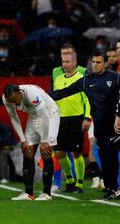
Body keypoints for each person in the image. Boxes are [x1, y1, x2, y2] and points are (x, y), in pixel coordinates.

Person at [51, 52, 120, 200]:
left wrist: (118, 115)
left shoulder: (115, 78)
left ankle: (115, 187)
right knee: (103, 157)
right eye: (93, 62)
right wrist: (45, 96)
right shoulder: (86, 80)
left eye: (98, 62)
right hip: (100, 125)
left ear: (105, 63)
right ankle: (111, 188)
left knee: (112, 156)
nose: (95, 65)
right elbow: (66, 92)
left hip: (115, 124)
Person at [3, 84, 60, 201]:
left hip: (49, 114)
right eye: (11, 102)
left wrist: (44, 141)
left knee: (45, 151)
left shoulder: (32, 94)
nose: (14, 104)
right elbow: (14, 118)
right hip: (34, 115)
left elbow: (44, 115)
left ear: (20, 93)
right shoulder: (6, 98)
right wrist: (22, 139)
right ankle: (28, 193)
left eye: (16, 100)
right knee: (27, 151)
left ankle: (47, 193)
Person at [53, 49, 91, 193]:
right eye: (63, 61)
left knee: (76, 153)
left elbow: (87, 100)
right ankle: (69, 180)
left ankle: (79, 184)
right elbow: (55, 99)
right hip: (61, 119)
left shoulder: (82, 78)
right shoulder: (58, 79)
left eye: (68, 61)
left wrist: (87, 117)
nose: (65, 64)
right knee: (59, 153)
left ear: (75, 62)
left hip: (77, 118)